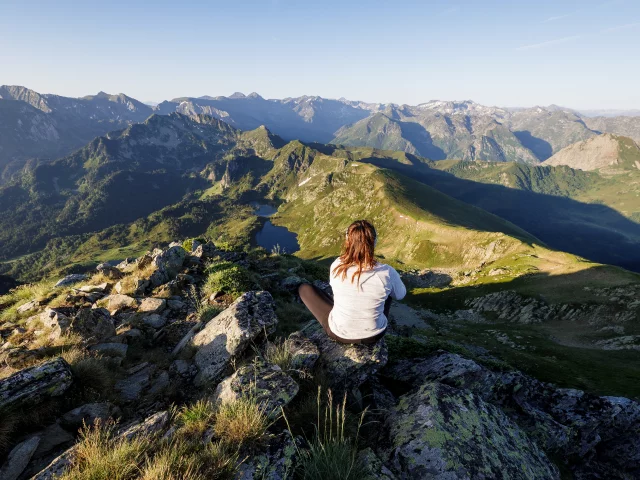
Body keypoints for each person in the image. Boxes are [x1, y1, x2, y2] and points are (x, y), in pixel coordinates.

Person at [298, 220, 406, 344]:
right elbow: (400, 295)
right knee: (389, 292)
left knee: (305, 289)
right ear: (374, 243)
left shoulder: (337, 265)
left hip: (339, 335)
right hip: (374, 335)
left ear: (348, 241)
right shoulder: (387, 272)